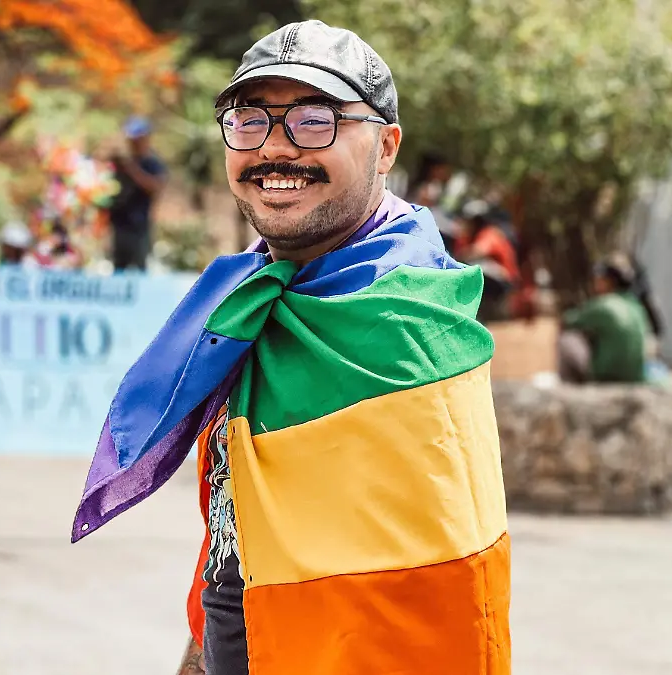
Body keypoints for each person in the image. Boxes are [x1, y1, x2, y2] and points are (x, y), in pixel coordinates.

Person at [72, 21, 511, 675]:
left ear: (386, 146)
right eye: (250, 120)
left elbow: (440, 595)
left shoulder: (405, 329)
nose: (274, 149)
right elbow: (241, 512)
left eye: (315, 121)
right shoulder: (254, 294)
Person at [557, 253, 652, 384]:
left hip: (606, 376)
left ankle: (569, 385)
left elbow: (568, 320)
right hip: (635, 377)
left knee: (567, 339)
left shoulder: (604, 305)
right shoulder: (636, 307)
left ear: (609, 281)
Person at [108, 116, 166, 271]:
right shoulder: (120, 163)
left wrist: (132, 169)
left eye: (137, 139)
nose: (134, 143)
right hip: (119, 226)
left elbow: (154, 186)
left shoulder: (152, 163)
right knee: (118, 270)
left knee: (141, 270)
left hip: (139, 228)